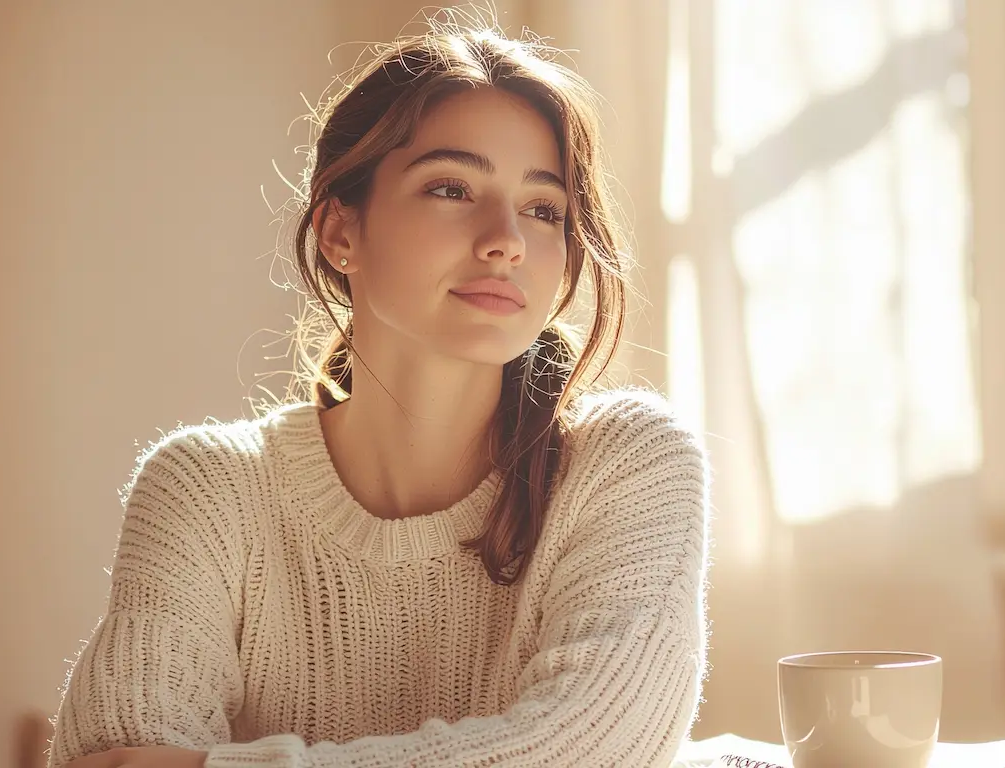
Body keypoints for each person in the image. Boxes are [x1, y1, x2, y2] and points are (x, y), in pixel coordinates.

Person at [46, 14, 710, 768]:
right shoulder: (208, 488)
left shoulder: (627, 463)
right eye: (452, 188)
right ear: (339, 233)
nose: (506, 239)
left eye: (543, 208)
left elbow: (595, 748)